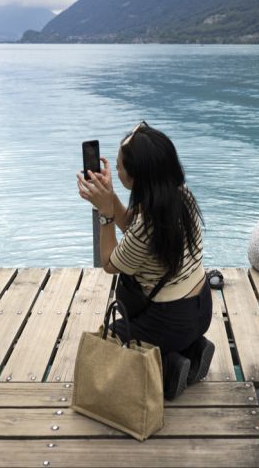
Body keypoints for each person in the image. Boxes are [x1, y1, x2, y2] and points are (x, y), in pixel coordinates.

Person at [76, 122, 214, 401]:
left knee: (108, 344)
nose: (115, 171)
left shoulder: (147, 226)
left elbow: (110, 263)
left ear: (138, 176)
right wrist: (110, 198)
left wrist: (105, 214)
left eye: (119, 167)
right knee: (149, 324)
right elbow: (133, 227)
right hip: (202, 306)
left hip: (170, 320)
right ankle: (193, 348)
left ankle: (169, 368)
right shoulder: (179, 195)